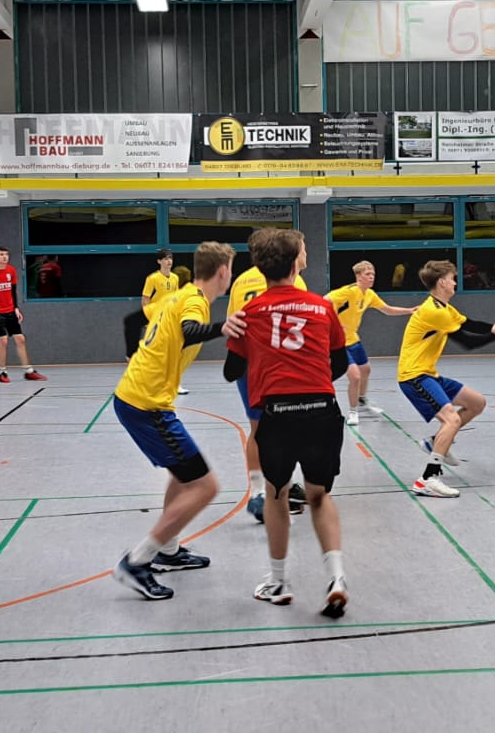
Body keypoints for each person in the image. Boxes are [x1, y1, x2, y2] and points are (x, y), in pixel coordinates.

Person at [221, 229, 352, 615]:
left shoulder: (250, 313)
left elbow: (232, 372)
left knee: (277, 495)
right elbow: (340, 363)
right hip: (321, 410)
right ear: (296, 262)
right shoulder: (321, 307)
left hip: (277, 414)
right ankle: (337, 576)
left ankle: (278, 582)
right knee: (319, 495)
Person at [110, 242, 237, 600]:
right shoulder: (194, 301)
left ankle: (168, 550)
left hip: (138, 397)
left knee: (182, 477)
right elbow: (189, 331)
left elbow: (146, 322)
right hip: (147, 405)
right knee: (206, 486)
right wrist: (223, 328)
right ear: (223, 272)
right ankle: (137, 560)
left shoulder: (175, 296)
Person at [399, 261, 495, 498]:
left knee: (477, 403)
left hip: (428, 373)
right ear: (442, 281)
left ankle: (435, 442)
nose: (455, 282)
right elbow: (466, 341)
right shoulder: (434, 311)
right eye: (453, 278)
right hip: (414, 376)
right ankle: (427, 479)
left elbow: (469, 324)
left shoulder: (443, 307)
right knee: (451, 420)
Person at [229, 236, 311, 519]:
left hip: (247, 364)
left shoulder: (241, 281)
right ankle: (278, 489)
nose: (306, 253)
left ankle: (259, 492)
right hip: (277, 367)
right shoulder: (294, 282)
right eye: (303, 249)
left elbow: (234, 325)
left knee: (258, 429)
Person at [325, 260, 417, 426]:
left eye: (373, 274)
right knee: (355, 376)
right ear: (358, 276)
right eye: (368, 274)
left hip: (353, 339)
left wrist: (409, 311)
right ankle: (353, 412)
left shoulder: (369, 294)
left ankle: (361, 399)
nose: (371, 277)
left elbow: (387, 309)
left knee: (366, 370)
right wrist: (333, 323)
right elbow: (325, 300)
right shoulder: (348, 292)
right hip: (339, 342)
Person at [0, 247, 46, 384]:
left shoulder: (11, 270)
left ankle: (28, 371)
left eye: (6, 255)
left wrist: (16, 308)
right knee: (3, 341)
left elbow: (13, 291)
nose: (4, 257)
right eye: (1, 254)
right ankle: (3, 372)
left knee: (20, 339)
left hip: (10, 310)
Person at [124, 248, 178, 363]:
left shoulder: (175, 278)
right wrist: (148, 316)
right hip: (155, 313)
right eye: (165, 258)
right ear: (159, 261)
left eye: (170, 258)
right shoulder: (152, 278)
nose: (169, 261)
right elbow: (145, 298)